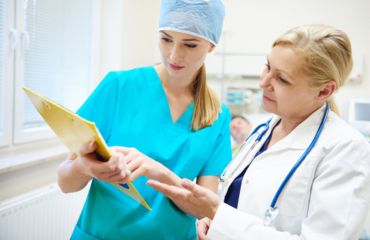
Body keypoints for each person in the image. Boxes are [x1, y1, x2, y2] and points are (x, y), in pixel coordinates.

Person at [148, 24, 370, 240]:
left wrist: (217, 214)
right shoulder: (264, 129)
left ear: (324, 90)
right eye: (267, 67)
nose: (263, 82)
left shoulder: (346, 150)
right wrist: (210, 222)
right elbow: (236, 205)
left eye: (282, 79)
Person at [57, 0, 232, 239]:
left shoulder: (218, 117)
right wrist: (84, 167)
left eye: (190, 45)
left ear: (211, 45)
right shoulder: (118, 87)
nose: (174, 55)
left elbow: (204, 209)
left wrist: (160, 173)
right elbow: (66, 184)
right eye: (166, 39)